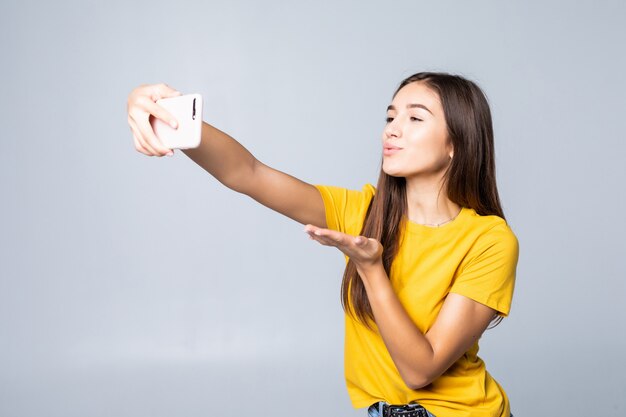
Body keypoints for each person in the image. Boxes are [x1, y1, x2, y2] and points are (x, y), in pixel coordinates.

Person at [126, 71, 519, 417]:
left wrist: (370, 268)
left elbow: (420, 370)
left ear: (456, 143)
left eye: (415, 118)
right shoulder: (364, 212)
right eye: (390, 116)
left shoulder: (489, 240)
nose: (392, 129)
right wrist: (169, 116)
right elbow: (248, 174)